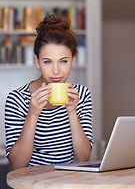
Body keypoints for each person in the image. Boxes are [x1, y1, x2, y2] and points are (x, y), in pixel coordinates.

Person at [5, 15, 93, 170]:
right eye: (47, 62)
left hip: (66, 182)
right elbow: (17, 164)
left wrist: (72, 112)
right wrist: (32, 114)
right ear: (37, 61)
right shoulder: (17, 99)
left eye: (63, 61)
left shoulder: (82, 95)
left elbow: (84, 157)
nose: (56, 71)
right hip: (31, 183)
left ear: (73, 60)